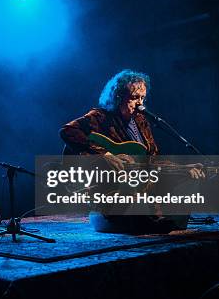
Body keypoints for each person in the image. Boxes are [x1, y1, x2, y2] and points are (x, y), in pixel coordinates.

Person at [59, 69, 204, 234]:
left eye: (143, 98)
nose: (140, 104)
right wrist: (104, 155)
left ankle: (155, 220)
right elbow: (67, 131)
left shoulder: (141, 121)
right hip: (107, 189)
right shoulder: (99, 117)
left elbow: (151, 160)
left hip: (138, 187)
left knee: (183, 186)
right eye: (135, 98)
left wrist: (183, 168)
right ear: (118, 97)